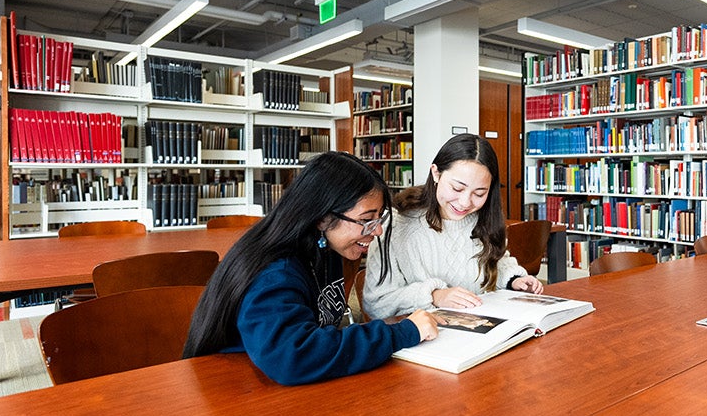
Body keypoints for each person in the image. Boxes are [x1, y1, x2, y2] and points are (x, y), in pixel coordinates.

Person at [184, 151, 438, 384]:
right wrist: (400, 333)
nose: (377, 230)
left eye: (378, 218)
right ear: (321, 216)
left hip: (282, 384)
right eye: (366, 220)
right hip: (238, 386)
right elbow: (292, 356)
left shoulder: (327, 250)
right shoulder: (276, 272)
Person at [362, 133, 543, 319]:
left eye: (479, 193)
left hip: (478, 331)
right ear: (436, 173)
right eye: (457, 188)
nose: (465, 203)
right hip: (420, 338)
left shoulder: (483, 219)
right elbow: (377, 304)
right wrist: (434, 296)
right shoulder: (395, 225)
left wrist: (513, 280)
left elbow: (497, 261)